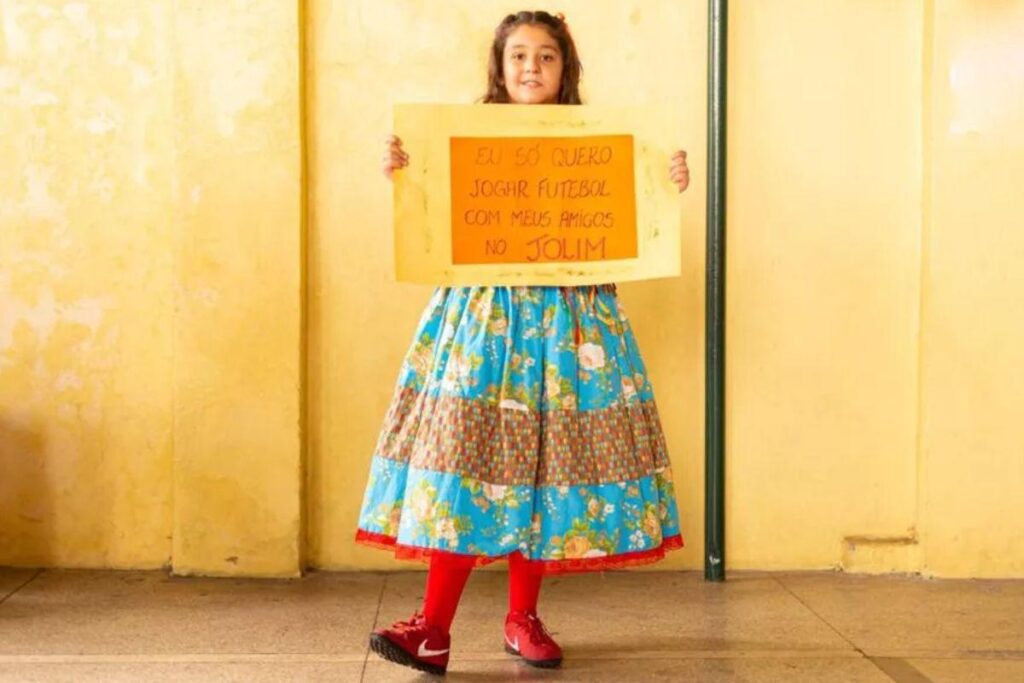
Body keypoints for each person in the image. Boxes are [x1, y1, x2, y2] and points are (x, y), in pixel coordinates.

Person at [356, 10, 690, 676]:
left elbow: (631, 220)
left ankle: (522, 616)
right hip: (484, 323)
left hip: (573, 323)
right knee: (464, 456)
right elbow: (431, 212)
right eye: (518, 57)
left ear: (566, 70)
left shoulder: (598, 144)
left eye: (546, 57)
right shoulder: (461, 138)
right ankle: (434, 626)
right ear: (498, 68)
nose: (531, 68)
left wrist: (663, 183)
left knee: (547, 464)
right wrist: (404, 170)